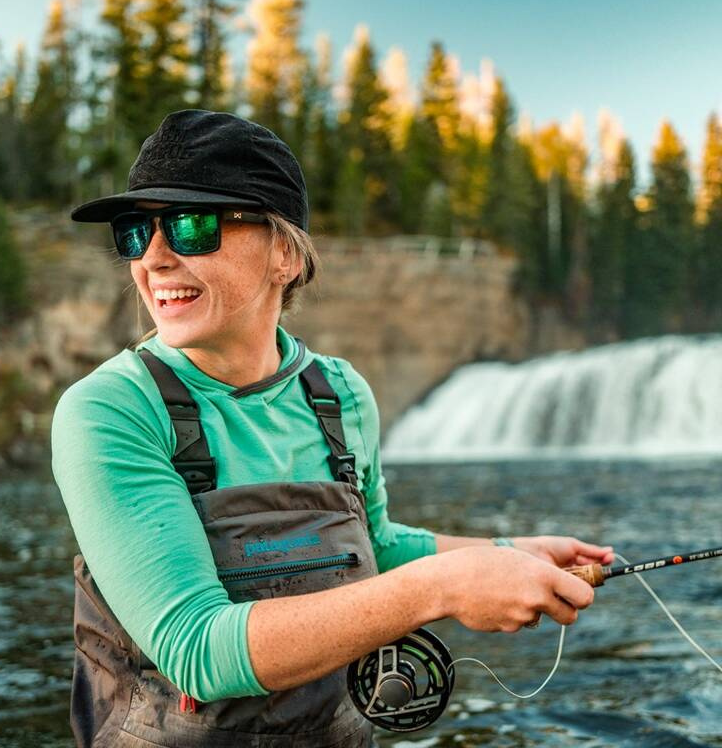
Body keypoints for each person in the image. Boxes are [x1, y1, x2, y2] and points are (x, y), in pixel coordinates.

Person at [50, 109, 614, 747]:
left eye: (192, 225)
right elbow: (197, 652)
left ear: (285, 253)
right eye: (134, 232)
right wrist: (446, 586)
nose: (153, 258)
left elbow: (374, 549)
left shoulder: (340, 394)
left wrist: (504, 553)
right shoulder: (108, 410)